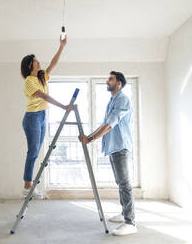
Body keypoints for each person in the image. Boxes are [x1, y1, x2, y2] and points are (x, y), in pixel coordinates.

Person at [78, 71, 137, 236]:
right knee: (120, 182)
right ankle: (125, 213)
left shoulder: (123, 99)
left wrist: (90, 139)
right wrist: (89, 137)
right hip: (113, 147)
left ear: (119, 83)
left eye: (110, 79)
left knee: (125, 184)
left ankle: (130, 222)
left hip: (121, 147)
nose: (107, 81)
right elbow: (105, 123)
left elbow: (110, 124)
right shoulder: (112, 100)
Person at [20, 36, 71, 199]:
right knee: (33, 151)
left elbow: (53, 64)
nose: (38, 62)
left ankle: (30, 184)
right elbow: (43, 95)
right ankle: (27, 186)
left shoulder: (41, 77)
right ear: (29, 65)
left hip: (42, 116)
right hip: (32, 118)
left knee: (37, 151)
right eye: (35, 61)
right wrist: (63, 106)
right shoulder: (29, 81)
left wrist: (62, 46)